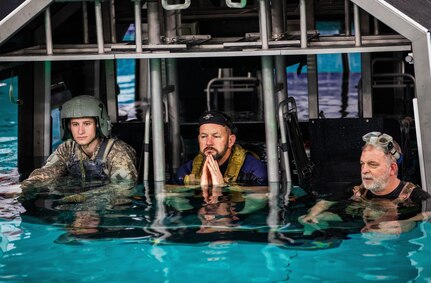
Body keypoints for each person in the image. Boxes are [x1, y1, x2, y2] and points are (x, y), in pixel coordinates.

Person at [299, 131, 431, 234]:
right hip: (357, 232)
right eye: (362, 164)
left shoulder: (414, 195)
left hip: (391, 246)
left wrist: (405, 223)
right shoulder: (358, 190)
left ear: (392, 168)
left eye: (372, 164)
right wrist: (313, 214)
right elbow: (327, 201)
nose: (364, 170)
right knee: (315, 218)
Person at [20, 95, 138, 200]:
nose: (80, 131)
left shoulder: (117, 152)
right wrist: (24, 187)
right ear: (68, 127)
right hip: (75, 199)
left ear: (98, 125)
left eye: (87, 124)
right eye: (75, 124)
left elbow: (124, 188)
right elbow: (47, 173)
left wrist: (84, 197)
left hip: (109, 207)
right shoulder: (67, 148)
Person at [174, 110, 268, 186]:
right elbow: (176, 203)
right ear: (198, 139)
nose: (209, 142)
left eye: (216, 136)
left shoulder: (254, 171)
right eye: (203, 136)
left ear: (230, 141)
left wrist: (222, 187)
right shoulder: (186, 172)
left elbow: (259, 202)